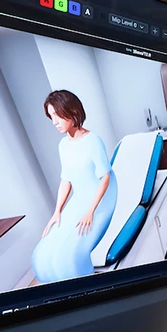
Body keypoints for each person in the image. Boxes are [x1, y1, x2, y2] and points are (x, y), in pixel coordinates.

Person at [31, 90, 117, 283]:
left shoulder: (93, 140)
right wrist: (57, 211)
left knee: (70, 255)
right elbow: (66, 180)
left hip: (102, 197)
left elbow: (105, 178)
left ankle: (88, 291)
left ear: (72, 111)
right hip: (80, 198)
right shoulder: (63, 145)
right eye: (50, 116)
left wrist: (90, 211)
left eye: (57, 115)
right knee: (42, 255)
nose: (54, 122)